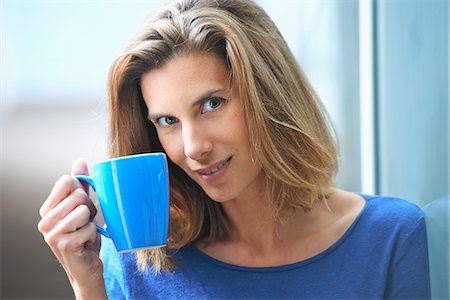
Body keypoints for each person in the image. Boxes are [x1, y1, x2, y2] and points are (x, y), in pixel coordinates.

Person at [38, 0, 431, 299]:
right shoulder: (135, 262)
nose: (194, 148)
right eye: (168, 121)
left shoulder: (391, 237)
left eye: (212, 104)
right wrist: (86, 285)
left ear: (270, 98)